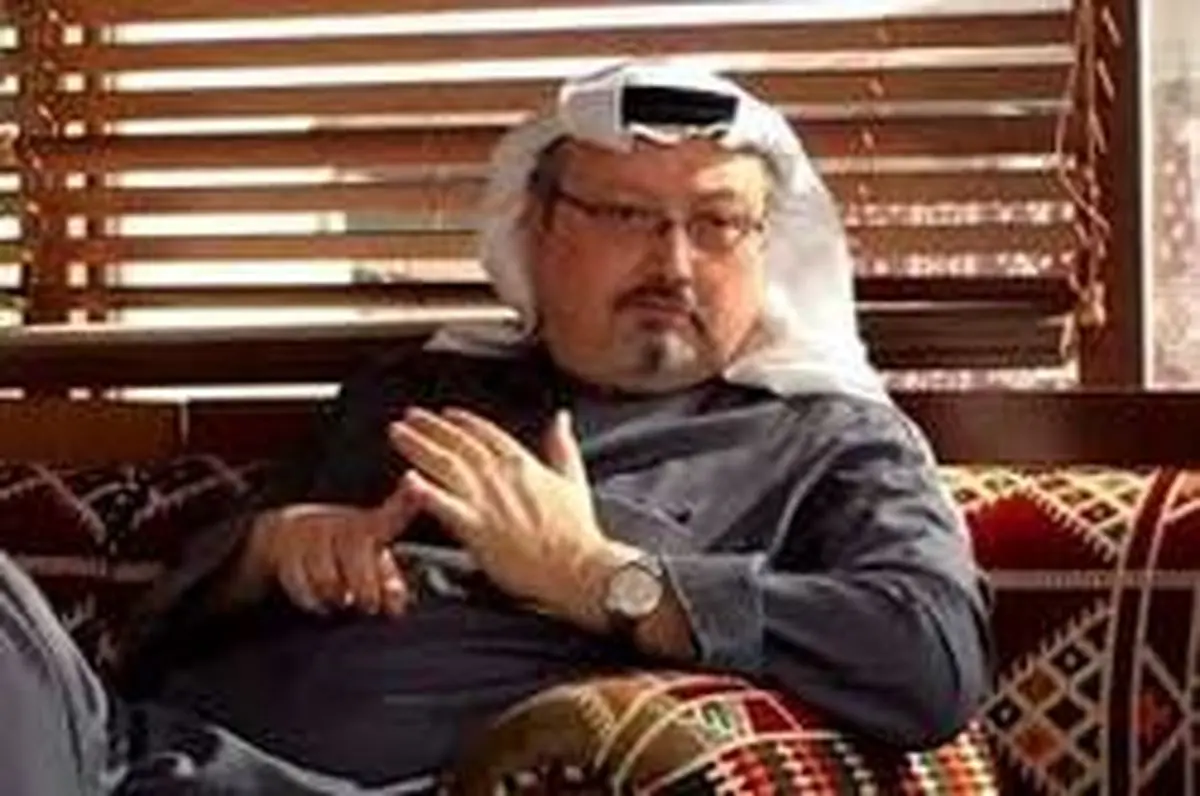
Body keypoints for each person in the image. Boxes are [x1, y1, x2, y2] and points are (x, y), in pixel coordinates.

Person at [0, 61, 992, 795]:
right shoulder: (415, 390)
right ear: (537, 229)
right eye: (626, 215)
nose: (675, 263)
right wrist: (270, 549)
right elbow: (145, 634)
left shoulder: (830, 444)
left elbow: (931, 658)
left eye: (717, 223)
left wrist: (601, 577)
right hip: (120, 757)